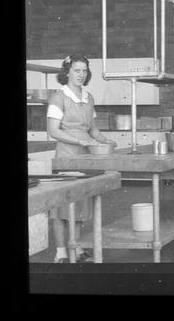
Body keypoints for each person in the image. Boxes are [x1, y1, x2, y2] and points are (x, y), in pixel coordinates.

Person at [47, 55, 116, 263]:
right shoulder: (58, 97)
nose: (81, 75)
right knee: (62, 205)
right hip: (66, 155)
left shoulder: (89, 97)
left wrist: (106, 141)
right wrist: (79, 142)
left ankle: (75, 248)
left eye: (84, 71)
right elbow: (53, 131)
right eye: (77, 70)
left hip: (86, 156)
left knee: (80, 202)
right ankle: (60, 252)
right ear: (67, 72)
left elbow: (92, 129)